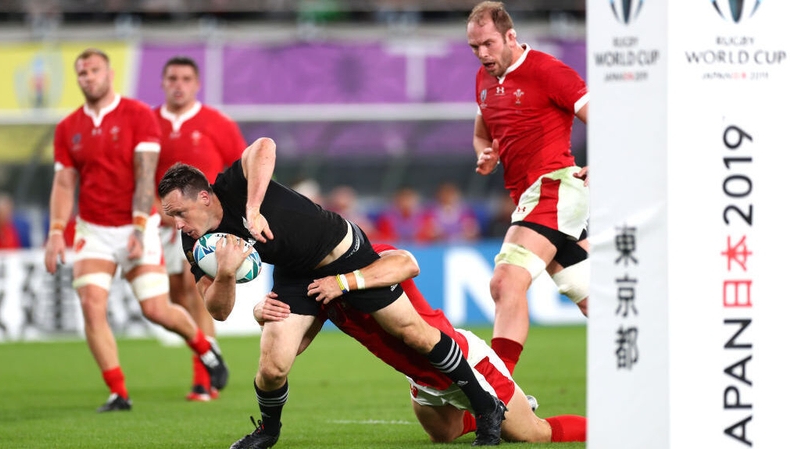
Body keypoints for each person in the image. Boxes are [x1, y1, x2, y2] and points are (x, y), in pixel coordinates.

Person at [158, 137, 507, 447]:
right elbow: (217, 311)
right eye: (170, 216)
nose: (177, 224)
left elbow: (265, 145)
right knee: (272, 367)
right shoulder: (195, 243)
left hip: (342, 253)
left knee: (412, 333)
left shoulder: (233, 185)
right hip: (296, 274)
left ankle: (485, 405)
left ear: (204, 197)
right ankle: (268, 430)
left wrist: (253, 210)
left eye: (179, 213)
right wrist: (225, 274)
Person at [44, 48, 228, 413]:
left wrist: (140, 224)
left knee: (157, 309)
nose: (88, 78)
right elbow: (65, 184)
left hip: (136, 224)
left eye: (94, 71)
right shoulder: (68, 128)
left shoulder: (138, 115)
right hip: (93, 229)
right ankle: (118, 392)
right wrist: (55, 232)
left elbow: (147, 173)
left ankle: (205, 349)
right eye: (82, 73)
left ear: (109, 74)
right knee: (91, 305)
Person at [255, 242, 587, 444]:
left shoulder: (369, 257)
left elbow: (409, 263)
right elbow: (295, 345)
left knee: (534, 435)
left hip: (462, 361)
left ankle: (606, 429)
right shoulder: (316, 289)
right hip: (421, 379)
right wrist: (265, 314)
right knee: (442, 436)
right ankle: (504, 409)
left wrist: (346, 281)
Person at [467, 2, 590, 375]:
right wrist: (485, 155)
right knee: (597, 299)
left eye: (488, 44)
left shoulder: (548, 71)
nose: (482, 54)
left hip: (555, 186)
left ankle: (497, 392)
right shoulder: (483, 80)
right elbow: (481, 133)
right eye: (474, 47)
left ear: (510, 35)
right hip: (527, 197)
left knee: (506, 281)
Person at [154, 55, 246, 401]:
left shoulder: (216, 123)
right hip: (159, 222)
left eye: (186, 78)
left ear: (197, 84)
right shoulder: (148, 122)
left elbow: (240, 168)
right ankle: (208, 356)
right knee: (176, 296)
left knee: (196, 295)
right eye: (172, 78)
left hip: (200, 226)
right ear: (163, 83)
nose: (179, 84)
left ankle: (204, 377)